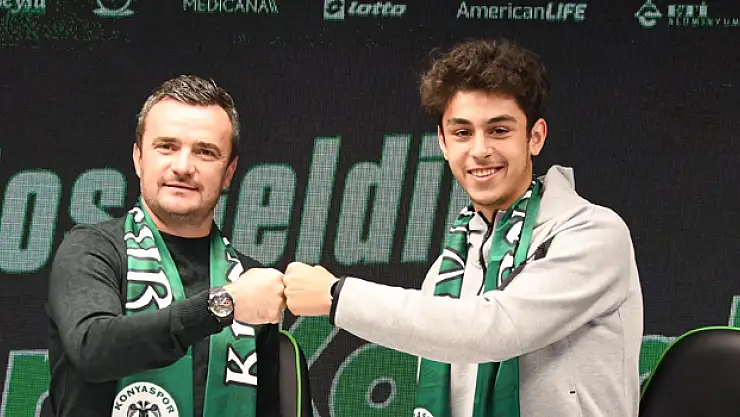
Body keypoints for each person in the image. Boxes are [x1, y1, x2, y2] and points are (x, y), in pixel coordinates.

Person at [282, 38, 644, 417]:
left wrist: (337, 296)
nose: (480, 150)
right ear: (442, 142)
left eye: (499, 130)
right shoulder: (449, 268)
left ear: (535, 137)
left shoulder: (593, 234)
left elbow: (495, 329)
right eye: (462, 133)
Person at [47, 75, 286, 417]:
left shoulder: (250, 282)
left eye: (205, 152)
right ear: (138, 158)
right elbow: (93, 348)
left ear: (229, 172)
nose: (183, 167)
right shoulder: (92, 249)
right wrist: (222, 306)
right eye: (167, 147)